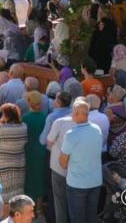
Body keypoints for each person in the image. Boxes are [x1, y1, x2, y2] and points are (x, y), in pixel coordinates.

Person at [59, 97, 103, 223]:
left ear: (77, 113)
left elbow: (62, 163)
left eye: (72, 112)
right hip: (95, 181)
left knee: (77, 219)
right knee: (91, 217)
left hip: (77, 183)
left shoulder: (71, 134)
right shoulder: (97, 129)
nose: (71, 114)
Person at [0, 103, 28, 217]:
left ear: (6, 115)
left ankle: (5, 219)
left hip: (4, 165)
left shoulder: (1, 128)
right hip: (19, 165)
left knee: (4, 195)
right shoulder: (23, 126)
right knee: (16, 193)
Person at [46, 93, 75, 223]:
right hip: (75, 166)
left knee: (59, 201)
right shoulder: (87, 123)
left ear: (58, 102)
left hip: (59, 166)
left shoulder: (55, 119)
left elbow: (46, 141)